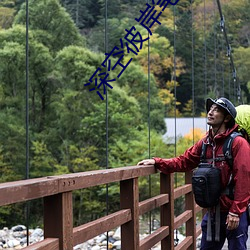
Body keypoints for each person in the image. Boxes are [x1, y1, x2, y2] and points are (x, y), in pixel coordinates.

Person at [137, 97, 250, 250]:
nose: (210, 112)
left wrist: (236, 212)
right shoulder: (205, 143)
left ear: (227, 118)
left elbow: (244, 178)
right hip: (213, 211)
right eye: (210, 109)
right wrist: (157, 162)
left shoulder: (238, 143)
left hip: (233, 211)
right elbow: (184, 161)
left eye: (216, 110)